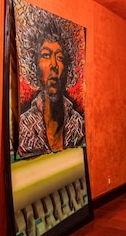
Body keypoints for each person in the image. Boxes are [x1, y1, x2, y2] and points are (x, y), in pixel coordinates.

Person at [18, 18, 84, 158]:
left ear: (67, 68)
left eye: (60, 58)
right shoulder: (25, 127)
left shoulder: (78, 124)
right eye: (46, 55)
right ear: (34, 66)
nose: (53, 64)